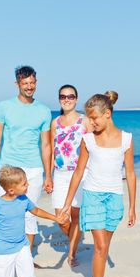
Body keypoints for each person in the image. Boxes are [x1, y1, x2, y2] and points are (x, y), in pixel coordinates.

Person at [59, 91, 137, 277]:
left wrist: (132, 206)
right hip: (92, 195)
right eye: (89, 118)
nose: (90, 122)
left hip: (114, 197)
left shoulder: (126, 139)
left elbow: (130, 173)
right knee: (100, 246)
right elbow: (77, 172)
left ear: (108, 114)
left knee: (105, 247)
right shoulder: (87, 140)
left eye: (94, 118)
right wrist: (67, 204)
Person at [0, 65, 53, 256]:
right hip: (8, 168)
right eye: (25, 83)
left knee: (29, 215)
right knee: (2, 213)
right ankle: (6, 255)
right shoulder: (4, 107)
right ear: (17, 84)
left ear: (36, 82)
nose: (29, 87)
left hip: (33, 169)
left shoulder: (44, 111)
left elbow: (46, 145)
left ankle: (26, 259)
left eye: (32, 83)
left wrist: (48, 176)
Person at [50, 84, 92, 267]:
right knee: (60, 217)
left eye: (70, 96)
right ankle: (75, 238)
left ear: (76, 99)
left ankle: (72, 253)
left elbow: (94, 146)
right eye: (63, 96)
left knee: (75, 215)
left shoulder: (85, 121)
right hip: (60, 174)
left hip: (81, 174)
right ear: (59, 99)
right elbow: (52, 150)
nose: (66, 99)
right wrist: (48, 176)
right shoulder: (55, 122)